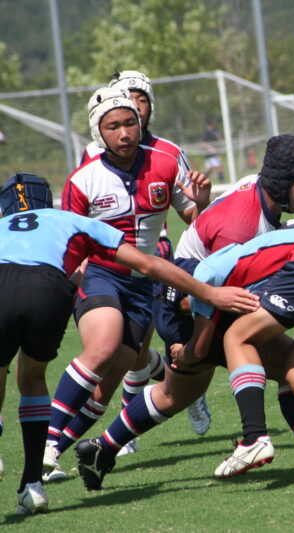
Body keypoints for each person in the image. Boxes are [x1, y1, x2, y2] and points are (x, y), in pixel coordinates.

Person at [0, 173, 257, 515]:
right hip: (47, 289)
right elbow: (149, 264)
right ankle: (32, 485)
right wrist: (210, 293)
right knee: (32, 378)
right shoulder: (69, 220)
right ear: (47, 202)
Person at [75, 228, 294, 490]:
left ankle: (256, 439)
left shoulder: (204, 277)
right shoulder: (203, 275)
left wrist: (185, 352)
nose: (192, 306)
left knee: (237, 342)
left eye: (188, 303)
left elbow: (196, 349)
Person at [42, 85, 217, 479]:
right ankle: (46, 444)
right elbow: (69, 241)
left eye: (129, 124)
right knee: (103, 347)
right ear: (98, 133)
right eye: (113, 126)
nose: (123, 133)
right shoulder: (83, 179)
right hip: (103, 275)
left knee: (110, 382)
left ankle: (53, 453)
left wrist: (201, 202)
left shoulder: (166, 162)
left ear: (140, 124)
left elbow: (197, 224)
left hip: (145, 283)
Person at [155, 134, 294, 480]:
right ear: (284, 184)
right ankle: (267, 440)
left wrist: (201, 209)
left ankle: (100, 447)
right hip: (182, 304)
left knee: (171, 395)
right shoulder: (241, 229)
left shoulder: (260, 190)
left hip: (206, 292)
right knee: (289, 367)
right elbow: (202, 297)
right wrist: (196, 351)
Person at [201, 116, 224, 182]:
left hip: (215, 153)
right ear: (211, 123)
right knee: (217, 167)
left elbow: (219, 139)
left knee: (211, 168)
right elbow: (203, 142)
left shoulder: (215, 131)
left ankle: (201, 181)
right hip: (210, 154)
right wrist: (211, 148)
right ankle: (222, 182)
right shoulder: (207, 132)